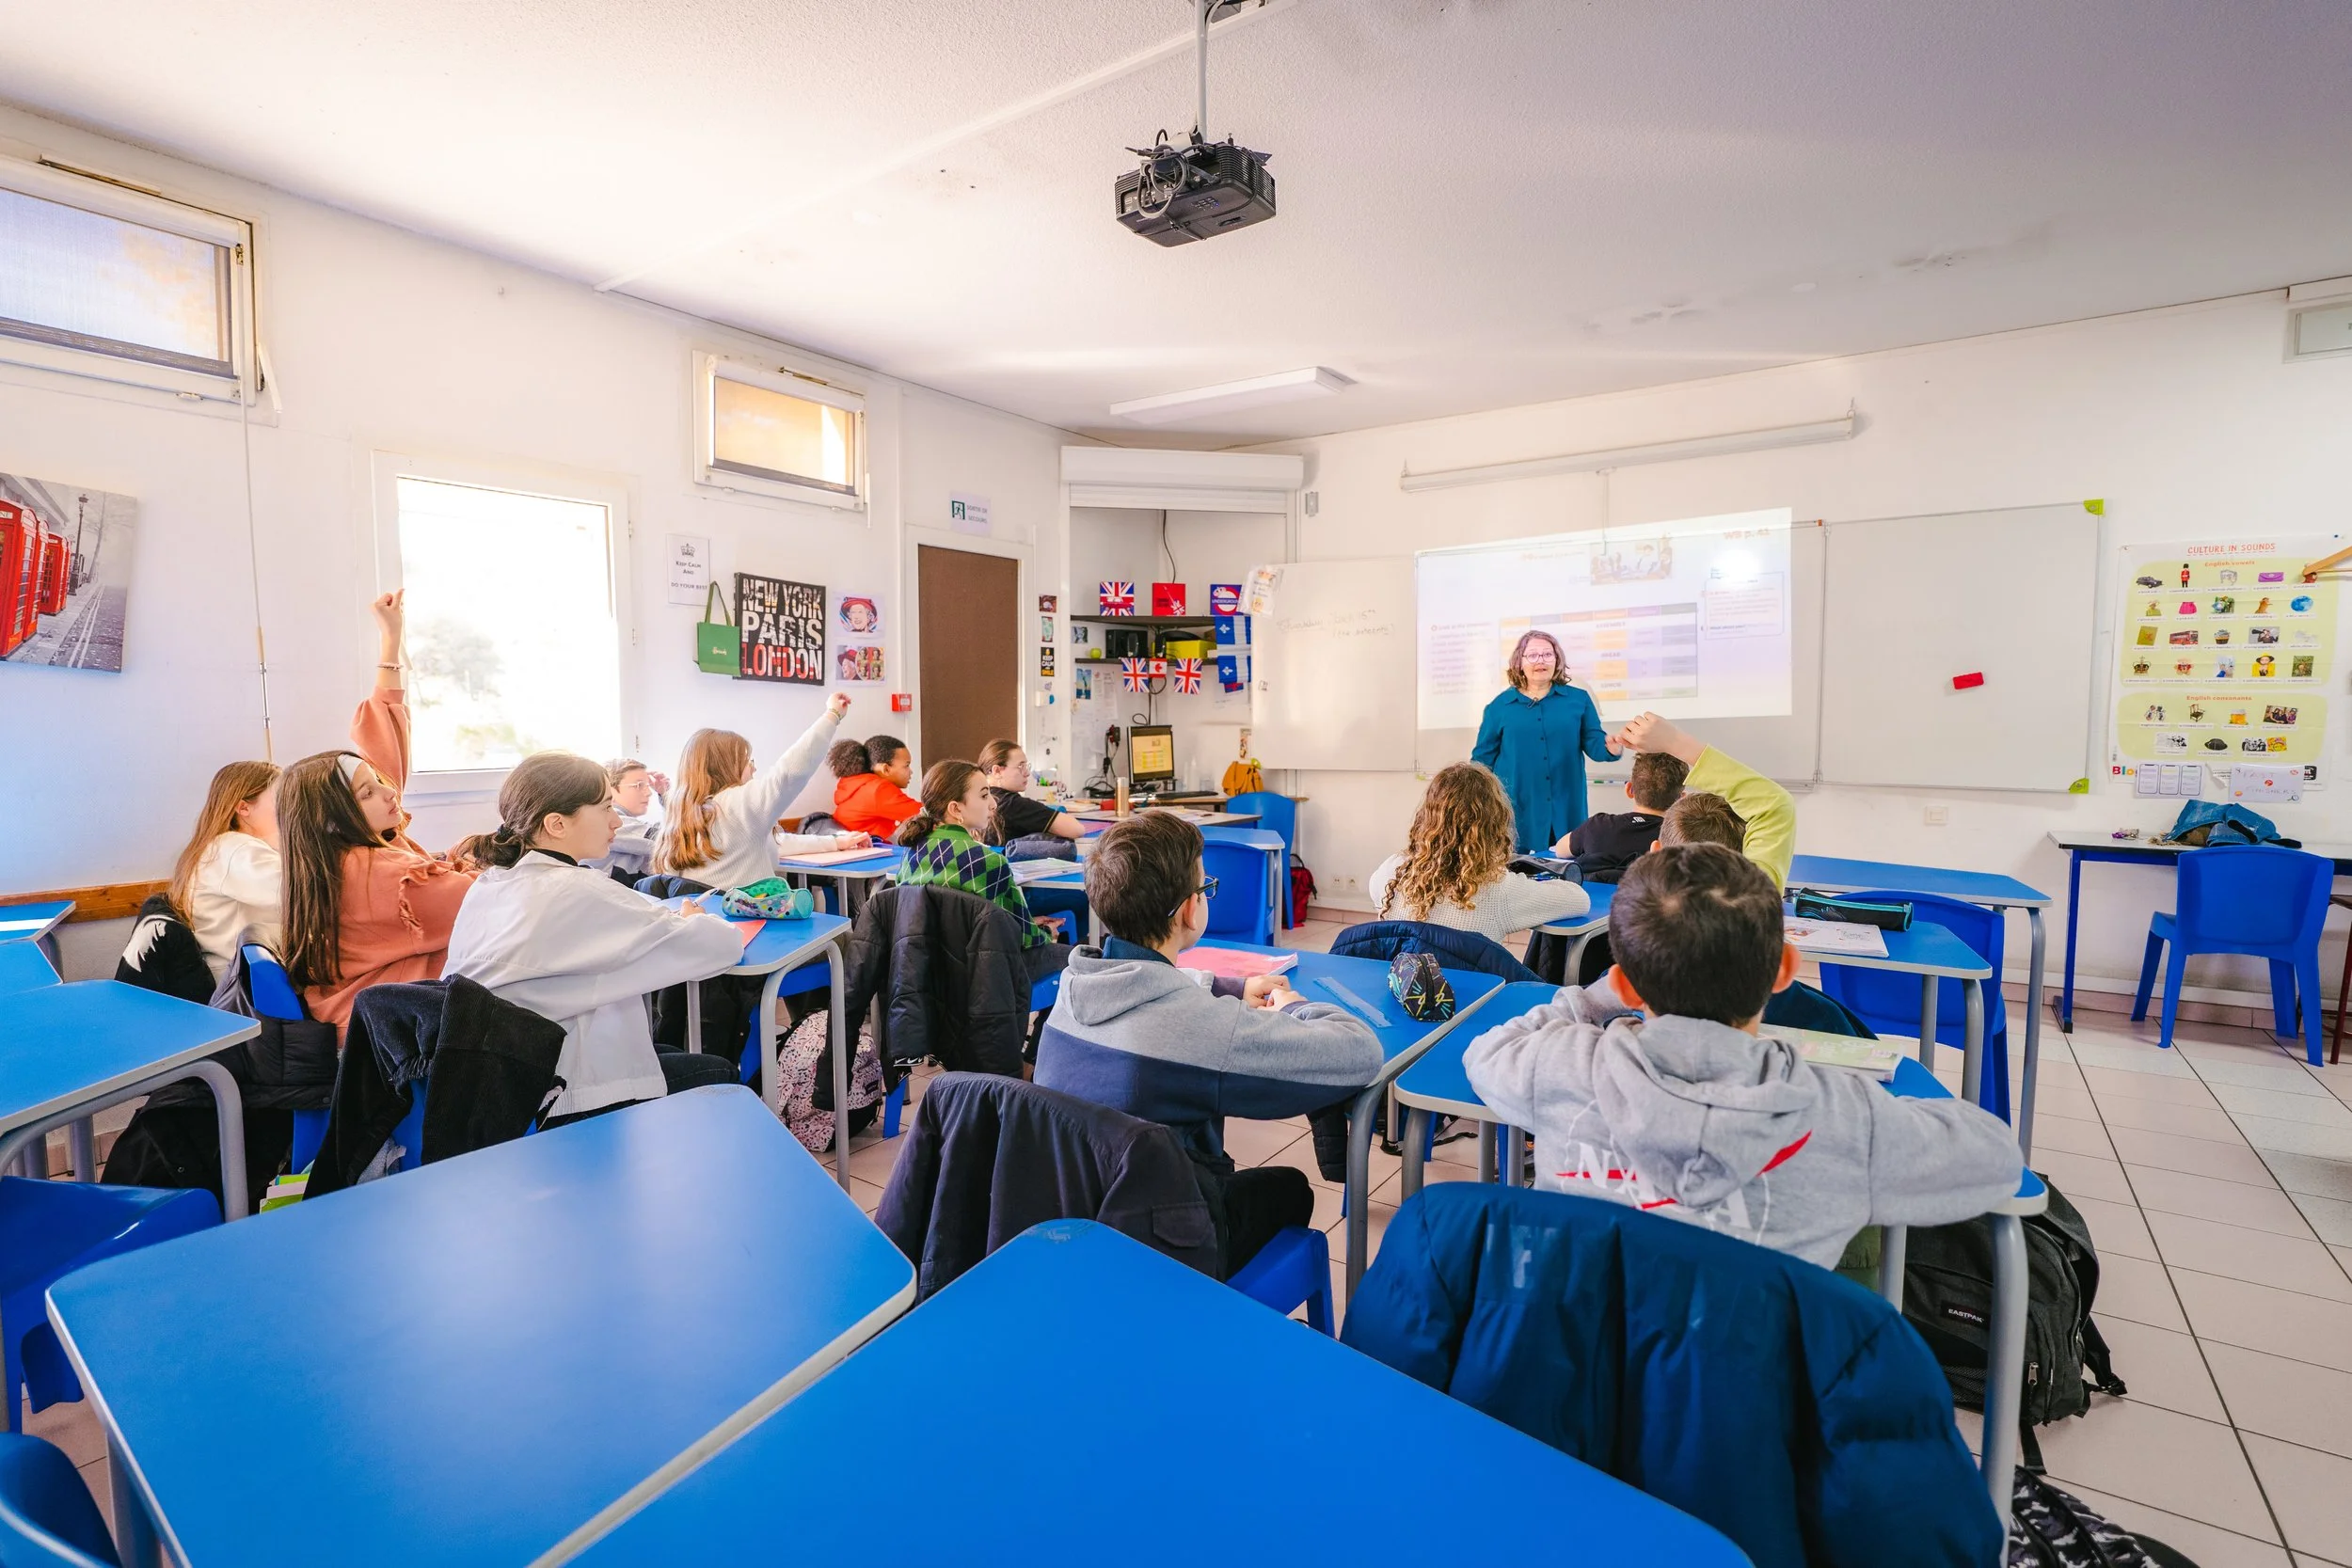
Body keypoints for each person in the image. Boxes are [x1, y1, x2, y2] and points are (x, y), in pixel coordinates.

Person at [1463, 845, 2022, 1270]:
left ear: (1627, 985)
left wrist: (1594, 999)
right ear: (1784, 970)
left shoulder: (1559, 1067)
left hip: (1581, 1370)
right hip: (1754, 1382)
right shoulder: (1846, 1118)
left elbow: (1484, 1053)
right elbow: (1998, 1159)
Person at [1035, 813, 1383, 1275]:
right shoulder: (1206, 1030)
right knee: (1291, 1188)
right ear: (1189, 909)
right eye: (1205, 887)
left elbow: (1149, 982)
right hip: (1165, 1247)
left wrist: (1230, 987)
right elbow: (1360, 1053)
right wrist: (1294, 1005)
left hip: (1077, 1220)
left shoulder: (1072, 988)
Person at [444, 753, 743, 1125]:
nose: (616, 820)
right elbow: (721, 946)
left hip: (495, 1078)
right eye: (605, 808)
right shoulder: (577, 888)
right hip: (558, 1093)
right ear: (557, 824)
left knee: (663, 1047)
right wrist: (695, 920)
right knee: (719, 1070)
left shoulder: (491, 882)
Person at [278, 591, 476, 1033]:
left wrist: (391, 638)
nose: (389, 793)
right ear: (335, 816)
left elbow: (383, 742)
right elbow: (484, 904)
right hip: (389, 1039)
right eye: (369, 792)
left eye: (380, 784)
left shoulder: (334, 853)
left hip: (374, 1021)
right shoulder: (383, 874)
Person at [655, 696, 866, 890]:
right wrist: (832, 715)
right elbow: (792, 771)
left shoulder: (680, 812)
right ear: (727, 767)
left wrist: (835, 842)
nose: (754, 768)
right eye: (748, 762)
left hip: (700, 916)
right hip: (746, 916)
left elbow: (776, 843)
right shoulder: (737, 804)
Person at [892, 759, 1070, 984]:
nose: (994, 804)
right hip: (984, 977)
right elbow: (1026, 938)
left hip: (922, 975)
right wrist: (1047, 933)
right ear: (955, 809)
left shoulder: (910, 856)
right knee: (1077, 957)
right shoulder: (990, 862)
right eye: (985, 796)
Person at [1369, 762, 1590, 941]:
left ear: (1426, 818)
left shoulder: (1392, 872)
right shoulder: (1498, 888)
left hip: (1403, 982)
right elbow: (1580, 900)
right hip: (1474, 986)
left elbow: (1376, 892)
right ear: (1494, 824)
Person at [1612, 711, 1794, 889]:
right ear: (1740, 860)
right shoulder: (1753, 898)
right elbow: (1775, 806)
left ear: (1655, 853)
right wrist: (1673, 741)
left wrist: (1672, 741)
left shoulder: (1631, 908)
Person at [1470, 629, 1615, 852]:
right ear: (1519, 662)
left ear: (1557, 660)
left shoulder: (1578, 700)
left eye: (1548, 654)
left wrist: (1610, 748)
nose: (1541, 661)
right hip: (1517, 810)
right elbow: (1481, 762)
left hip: (1566, 807)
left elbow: (1594, 743)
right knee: (1518, 868)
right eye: (1533, 655)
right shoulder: (1499, 707)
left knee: (1567, 865)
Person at [167, 760, 283, 984]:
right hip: (246, 982)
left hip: (236, 973)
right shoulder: (236, 849)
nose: (289, 808)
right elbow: (302, 894)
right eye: (281, 799)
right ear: (244, 808)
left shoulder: (218, 847)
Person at [1561, 750, 1686, 882]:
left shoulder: (1597, 825)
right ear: (1681, 799)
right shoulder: (1679, 838)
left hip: (1587, 895)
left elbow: (1560, 850)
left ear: (1629, 789)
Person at [975, 739, 1083, 851]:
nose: (1027, 773)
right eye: (1020, 766)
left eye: (1026, 766)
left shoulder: (975, 797)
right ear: (997, 771)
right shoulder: (1013, 804)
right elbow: (1076, 829)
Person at [830, 734, 921, 838]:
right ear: (886, 769)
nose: (911, 772)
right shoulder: (878, 790)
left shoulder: (856, 783)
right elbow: (926, 814)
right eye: (906, 765)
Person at [594, 757, 669, 879]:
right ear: (610, 791)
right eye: (639, 785)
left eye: (647, 785)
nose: (649, 793)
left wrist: (665, 795)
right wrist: (668, 798)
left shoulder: (630, 824)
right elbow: (671, 842)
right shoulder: (613, 822)